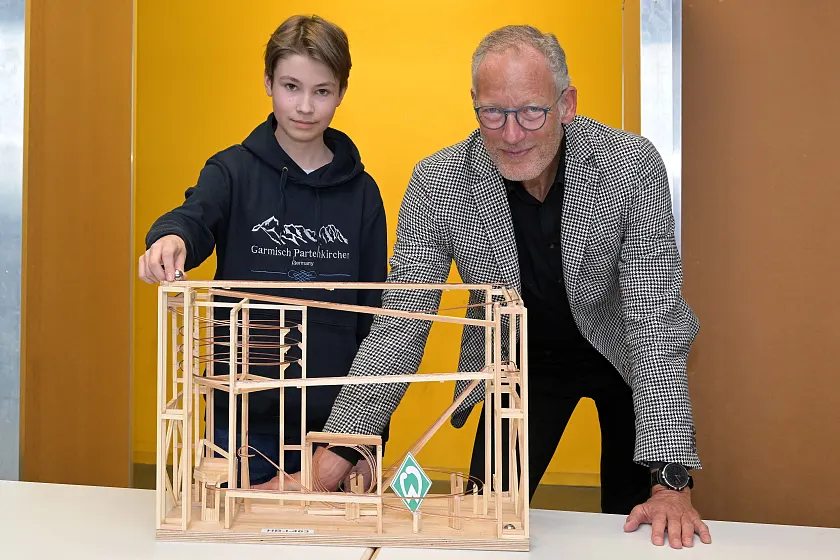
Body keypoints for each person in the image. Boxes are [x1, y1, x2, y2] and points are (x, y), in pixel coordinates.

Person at [304, 24, 712, 549]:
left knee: (634, 524)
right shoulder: (440, 178)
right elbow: (401, 324)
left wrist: (671, 482)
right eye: (493, 113)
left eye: (531, 112)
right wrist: (336, 454)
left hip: (623, 352)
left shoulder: (630, 167)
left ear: (566, 104)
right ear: (474, 104)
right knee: (482, 520)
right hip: (518, 360)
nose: (512, 134)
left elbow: (654, 317)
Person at [138, 14, 387, 490]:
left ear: (341, 92)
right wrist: (170, 239)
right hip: (241, 426)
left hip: (334, 431)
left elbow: (374, 322)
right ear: (268, 82)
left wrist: (360, 441)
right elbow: (194, 218)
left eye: (322, 91)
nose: (305, 106)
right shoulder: (232, 171)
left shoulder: (363, 194)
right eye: (291, 86)